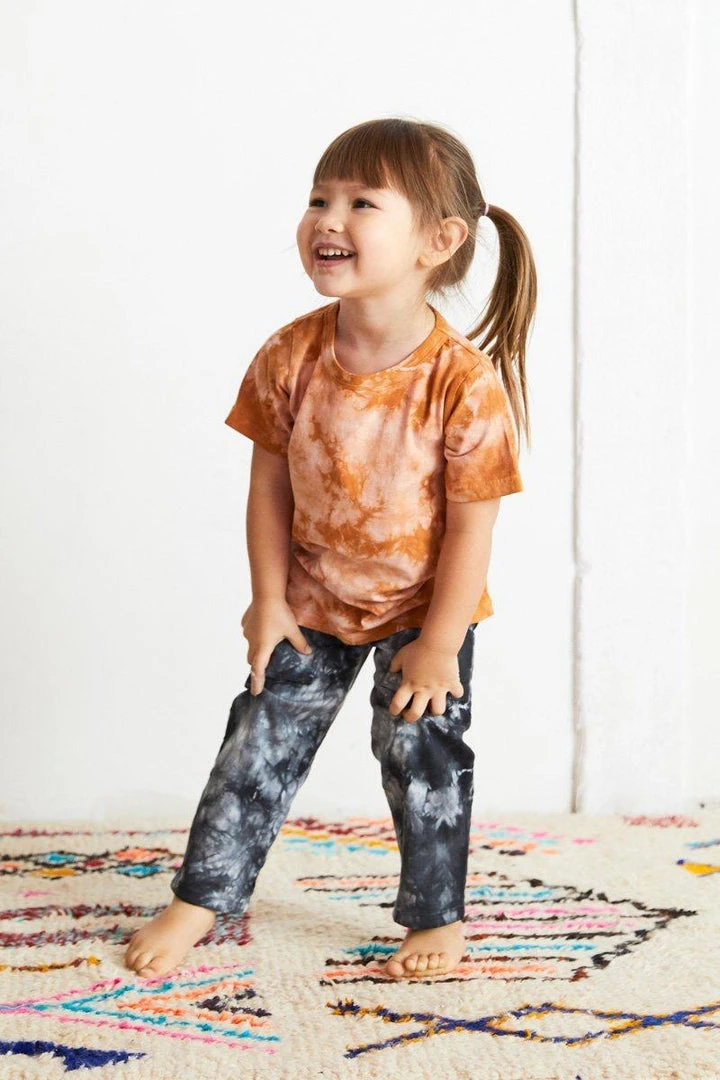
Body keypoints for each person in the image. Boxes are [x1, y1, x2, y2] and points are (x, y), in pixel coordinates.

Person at [125, 116, 536, 983]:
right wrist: (268, 598)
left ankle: (436, 919)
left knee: (422, 757)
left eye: (361, 203)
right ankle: (203, 896)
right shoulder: (290, 355)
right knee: (257, 742)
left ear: (439, 241)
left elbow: (474, 527)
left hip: (424, 610)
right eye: (319, 198)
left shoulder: (463, 383)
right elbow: (268, 488)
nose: (328, 219)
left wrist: (439, 644)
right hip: (312, 597)